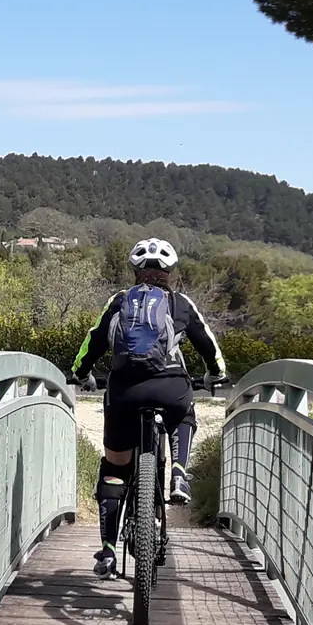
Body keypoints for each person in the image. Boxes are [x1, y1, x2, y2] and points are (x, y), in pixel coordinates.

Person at [71, 238, 227, 579]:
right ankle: (179, 474)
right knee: (184, 414)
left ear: (135, 270)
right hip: (170, 388)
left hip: (124, 392)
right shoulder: (180, 303)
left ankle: (108, 551)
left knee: (114, 467)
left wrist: (81, 374)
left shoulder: (119, 301)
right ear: (169, 272)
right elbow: (208, 346)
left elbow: (92, 342)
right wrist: (216, 375)